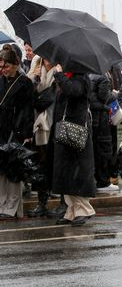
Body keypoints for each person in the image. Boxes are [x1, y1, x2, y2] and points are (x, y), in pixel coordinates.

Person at [51, 64, 96, 226]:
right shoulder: (69, 76)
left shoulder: (81, 78)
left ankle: (84, 210)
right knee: (66, 173)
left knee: (78, 174)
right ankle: (72, 210)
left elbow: (73, 91)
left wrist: (59, 75)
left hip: (76, 132)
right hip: (65, 132)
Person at [0, 46, 34, 220]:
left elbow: (28, 109)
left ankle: (12, 208)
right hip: (1, 128)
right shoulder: (1, 80)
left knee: (13, 169)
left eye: (6, 66)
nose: (3, 70)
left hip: (17, 129)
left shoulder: (24, 83)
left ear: (15, 64)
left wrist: (27, 132)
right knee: (1, 169)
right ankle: (2, 204)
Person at [26, 56, 58, 217]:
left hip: (55, 121)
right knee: (41, 164)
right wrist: (34, 79)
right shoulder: (35, 69)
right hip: (38, 124)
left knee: (54, 162)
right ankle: (42, 202)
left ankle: (60, 201)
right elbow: (29, 97)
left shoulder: (60, 70)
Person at [89, 72, 116, 191]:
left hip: (90, 120)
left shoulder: (86, 76)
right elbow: (106, 97)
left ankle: (94, 179)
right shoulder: (102, 77)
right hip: (100, 121)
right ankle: (103, 182)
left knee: (93, 150)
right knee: (103, 150)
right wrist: (114, 94)